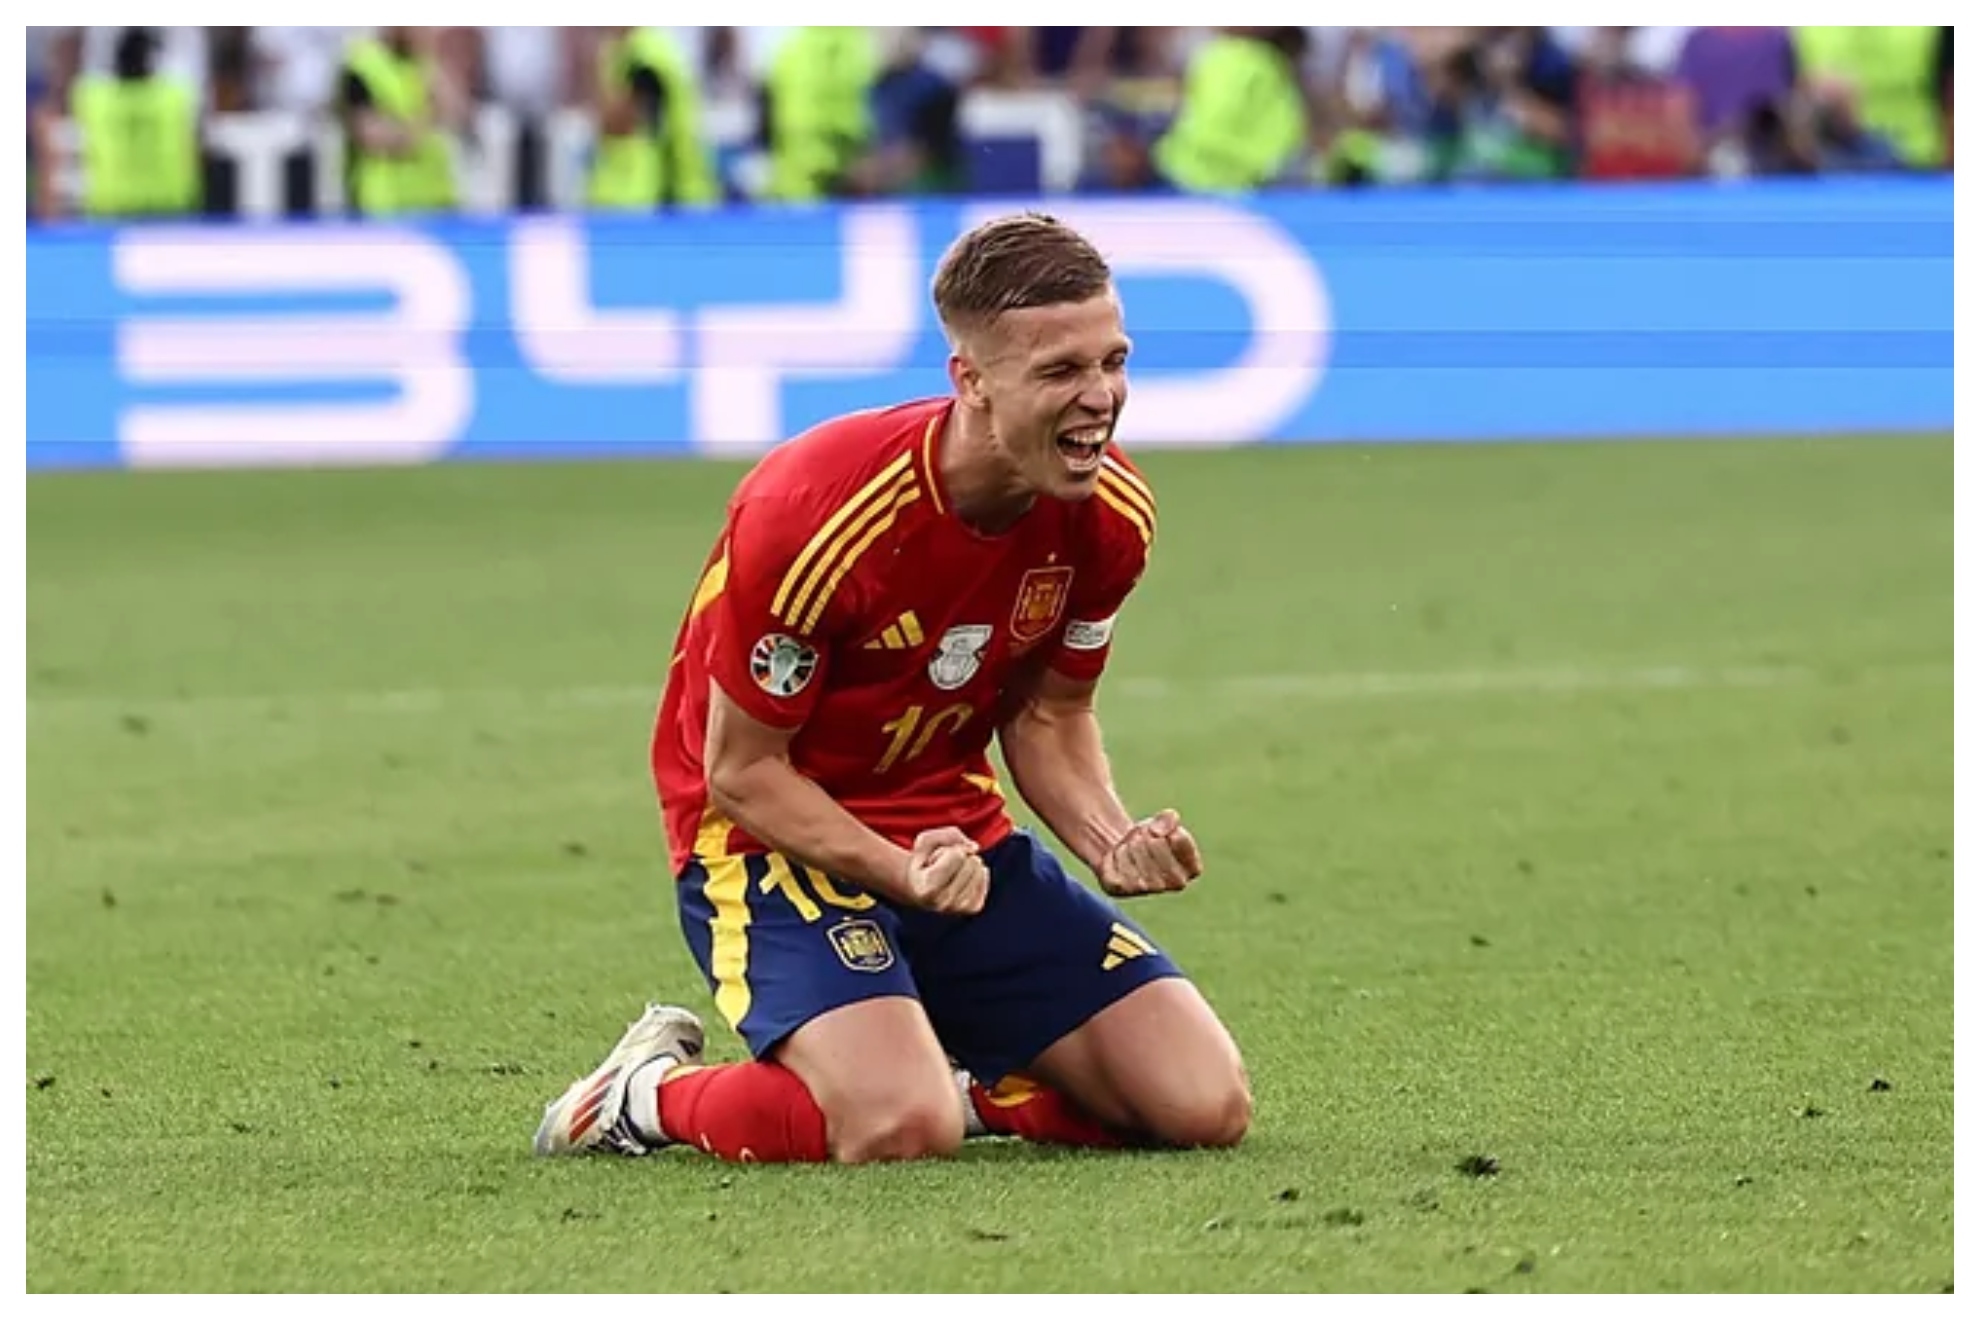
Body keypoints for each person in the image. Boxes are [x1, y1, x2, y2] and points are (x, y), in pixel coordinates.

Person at [533, 212, 1252, 1165]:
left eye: (1112, 361)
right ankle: (643, 1099)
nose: (1101, 398)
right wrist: (896, 869)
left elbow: (1050, 714)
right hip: (763, 841)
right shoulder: (813, 513)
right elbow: (741, 773)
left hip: (953, 840)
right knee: (896, 1127)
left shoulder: (1108, 515)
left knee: (1202, 1107)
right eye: (1061, 373)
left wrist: (1109, 837)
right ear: (971, 382)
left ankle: (939, 1071)